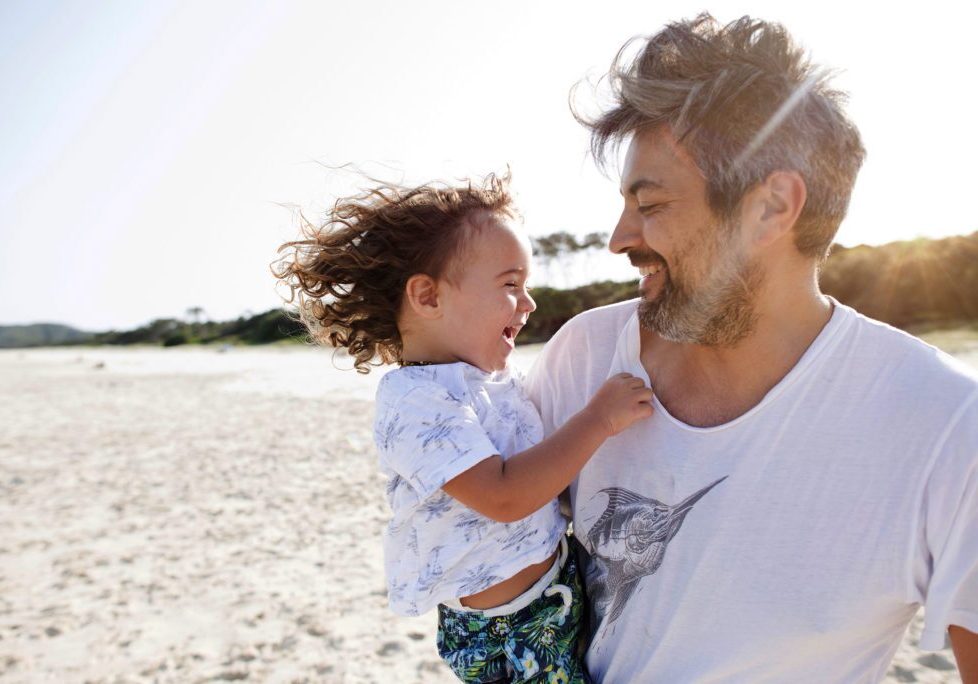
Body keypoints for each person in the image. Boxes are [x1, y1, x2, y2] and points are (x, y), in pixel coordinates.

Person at [524, 13, 978, 684]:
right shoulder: (582, 358)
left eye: (649, 203)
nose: (620, 237)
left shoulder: (945, 427)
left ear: (770, 208)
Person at [272, 175, 653, 683]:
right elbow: (502, 496)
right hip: (510, 633)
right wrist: (598, 420)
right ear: (428, 296)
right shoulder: (416, 401)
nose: (529, 302)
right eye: (510, 284)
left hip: (558, 592)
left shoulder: (493, 383)